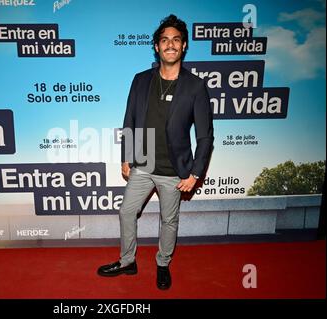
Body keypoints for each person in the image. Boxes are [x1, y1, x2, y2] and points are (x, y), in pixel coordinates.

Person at [97, 14, 214, 290]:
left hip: (175, 171)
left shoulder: (195, 86)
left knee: (169, 220)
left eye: (175, 40)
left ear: (184, 46)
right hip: (142, 164)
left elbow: (205, 136)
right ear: (157, 46)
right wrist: (126, 156)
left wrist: (195, 173)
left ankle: (163, 263)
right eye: (164, 40)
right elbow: (130, 120)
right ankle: (128, 261)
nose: (170, 45)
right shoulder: (140, 80)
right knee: (127, 211)